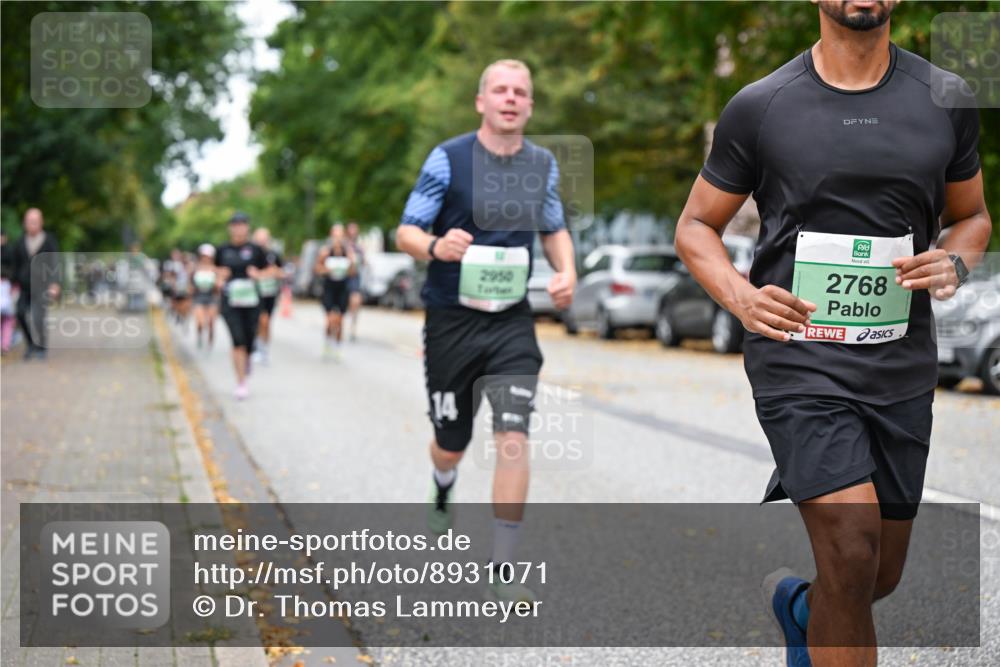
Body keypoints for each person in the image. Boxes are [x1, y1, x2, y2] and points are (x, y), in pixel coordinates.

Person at [673, 2, 991, 665]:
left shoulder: (946, 99)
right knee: (851, 545)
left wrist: (956, 257)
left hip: (899, 364)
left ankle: (800, 606)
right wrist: (741, 296)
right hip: (799, 359)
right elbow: (696, 225)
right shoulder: (762, 105)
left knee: (877, 573)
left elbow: (973, 216)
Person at [395, 59, 576, 604]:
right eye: (500, 89)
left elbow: (553, 226)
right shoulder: (448, 159)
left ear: (529, 106)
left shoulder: (541, 164)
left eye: (521, 92)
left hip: (511, 322)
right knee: (450, 444)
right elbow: (405, 230)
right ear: (481, 102)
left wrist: (567, 270)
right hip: (452, 319)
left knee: (514, 436)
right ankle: (444, 482)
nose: (510, 98)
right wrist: (434, 246)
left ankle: (503, 559)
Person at [215, 212, 268, 399]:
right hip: (231, 302)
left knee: (248, 341)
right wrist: (219, 276)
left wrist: (258, 274)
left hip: (252, 302)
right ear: (230, 228)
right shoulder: (222, 250)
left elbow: (271, 270)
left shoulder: (256, 250)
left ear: (247, 227)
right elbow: (212, 270)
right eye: (235, 224)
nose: (238, 228)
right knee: (237, 342)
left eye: (242, 224)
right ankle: (241, 382)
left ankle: (247, 357)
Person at [11, 208, 60, 360]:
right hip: (24, 286)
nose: (31, 225)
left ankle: (41, 347)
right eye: (28, 222)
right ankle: (31, 344)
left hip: (43, 286)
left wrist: (55, 283)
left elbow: (55, 263)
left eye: (34, 222)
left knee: (39, 317)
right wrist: (13, 284)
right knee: (19, 313)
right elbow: (15, 265)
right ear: (25, 223)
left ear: (41, 222)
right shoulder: (20, 242)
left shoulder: (49, 240)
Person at [314, 223, 355, 360]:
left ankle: (337, 347)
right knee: (330, 320)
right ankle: (327, 343)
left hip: (342, 288)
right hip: (329, 288)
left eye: (340, 235)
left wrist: (351, 264)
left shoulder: (347, 252)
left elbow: (352, 272)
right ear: (331, 236)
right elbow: (317, 269)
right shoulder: (326, 251)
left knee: (340, 321)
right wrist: (327, 270)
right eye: (335, 235)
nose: (337, 238)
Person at [251, 227, 284, 365]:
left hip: (270, 293)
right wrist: (264, 274)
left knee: (266, 322)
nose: (262, 242)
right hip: (255, 293)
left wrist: (274, 272)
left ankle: (264, 349)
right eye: (259, 239)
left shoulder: (274, 254)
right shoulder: (251, 254)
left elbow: (281, 272)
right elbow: (251, 273)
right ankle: (257, 347)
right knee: (260, 320)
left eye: (265, 239)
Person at [191, 244, 220, 350]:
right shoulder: (195, 268)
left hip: (211, 296)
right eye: (204, 256)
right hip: (199, 297)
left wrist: (217, 284)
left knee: (211, 322)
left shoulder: (215, 269)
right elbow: (190, 285)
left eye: (208, 256)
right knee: (201, 322)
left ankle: (210, 341)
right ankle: (199, 336)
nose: (206, 258)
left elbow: (219, 285)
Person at [345, 221, 365, 341]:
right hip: (343, 277)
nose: (353, 232)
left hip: (354, 277)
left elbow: (363, 262)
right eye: (351, 230)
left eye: (355, 230)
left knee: (356, 301)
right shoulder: (343, 245)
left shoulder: (359, 248)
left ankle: (353, 327)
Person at [1, 231, 16, 354]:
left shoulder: (10, 252)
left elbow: (13, 269)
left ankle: (5, 343)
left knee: (8, 317)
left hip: (7, 286)